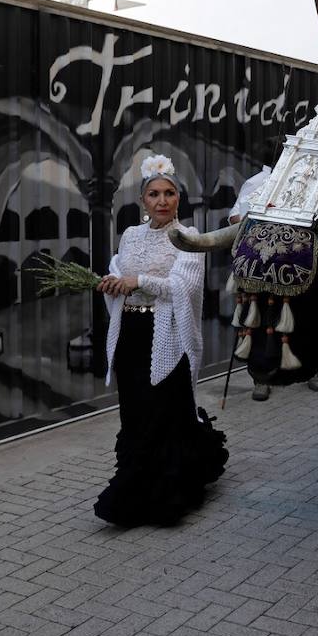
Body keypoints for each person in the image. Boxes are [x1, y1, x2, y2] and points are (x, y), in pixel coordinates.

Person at [94, 153, 228, 526]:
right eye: (154, 194)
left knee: (166, 413)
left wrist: (140, 282)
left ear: (178, 200)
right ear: (143, 201)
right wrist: (113, 283)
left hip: (168, 336)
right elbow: (118, 269)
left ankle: (168, 496)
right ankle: (134, 495)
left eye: (169, 193)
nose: (162, 201)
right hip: (131, 338)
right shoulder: (130, 235)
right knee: (136, 413)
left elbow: (183, 287)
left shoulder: (189, 239)